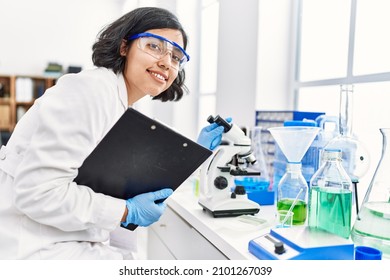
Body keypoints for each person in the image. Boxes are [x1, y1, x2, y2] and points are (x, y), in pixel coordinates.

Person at [0, 7, 226, 260]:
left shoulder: (121, 105)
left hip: (68, 238)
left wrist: (192, 157)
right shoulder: (91, 90)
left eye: (176, 56)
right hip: (35, 247)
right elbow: (37, 193)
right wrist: (126, 211)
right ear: (123, 47)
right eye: (154, 46)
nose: (166, 61)